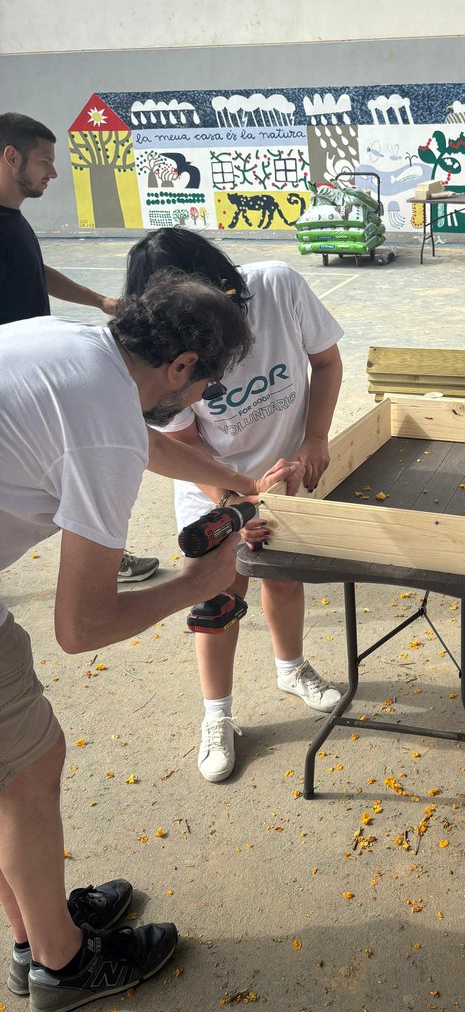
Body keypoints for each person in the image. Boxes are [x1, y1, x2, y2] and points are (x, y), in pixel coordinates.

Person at [0, 273, 303, 1010]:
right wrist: (199, 582)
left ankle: (35, 936)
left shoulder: (81, 348)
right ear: (180, 366)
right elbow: (81, 627)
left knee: (10, 772)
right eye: (206, 385)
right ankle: (64, 969)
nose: (203, 398)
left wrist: (231, 482)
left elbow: (139, 441)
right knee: (27, 772)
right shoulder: (103, 420)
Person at [124, 229, 345, 783]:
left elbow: (327, 361)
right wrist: (233, 503)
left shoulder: (278, 286)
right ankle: (217, 714)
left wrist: (314, 439)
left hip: (285, 475)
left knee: (284, 578)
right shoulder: (163, 356)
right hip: (210, 483)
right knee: (218, 598)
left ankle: (291, 668)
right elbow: (180, 442)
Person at [0, 111, 158, 583]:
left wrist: (99, 301)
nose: (53, 172)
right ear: (11, 157)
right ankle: (101, 556)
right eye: (44, 162)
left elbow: (36, 271)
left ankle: (104, 551)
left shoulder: (13, 220)